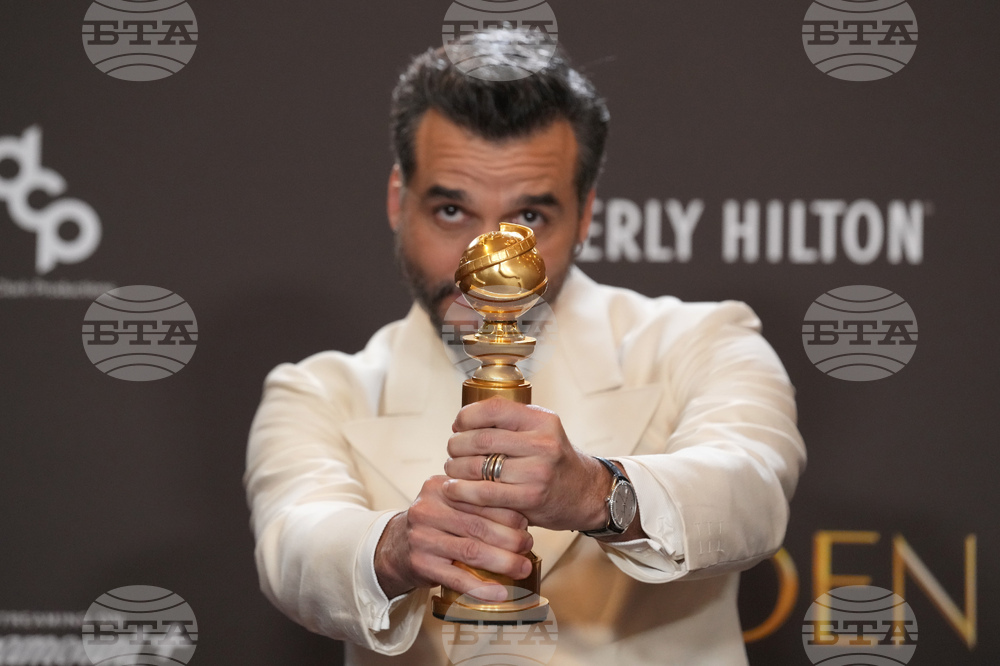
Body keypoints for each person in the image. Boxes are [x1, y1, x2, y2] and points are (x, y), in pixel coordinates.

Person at [245, 29, 806, 665]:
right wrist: (396, 547)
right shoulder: (318, 392)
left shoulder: (702, 340)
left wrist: (599, 492)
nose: (489, 260)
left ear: (586, 214)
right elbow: (294, 547)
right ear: (399, 201)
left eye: (529, 220)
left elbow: (753, 491)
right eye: (452, 211)